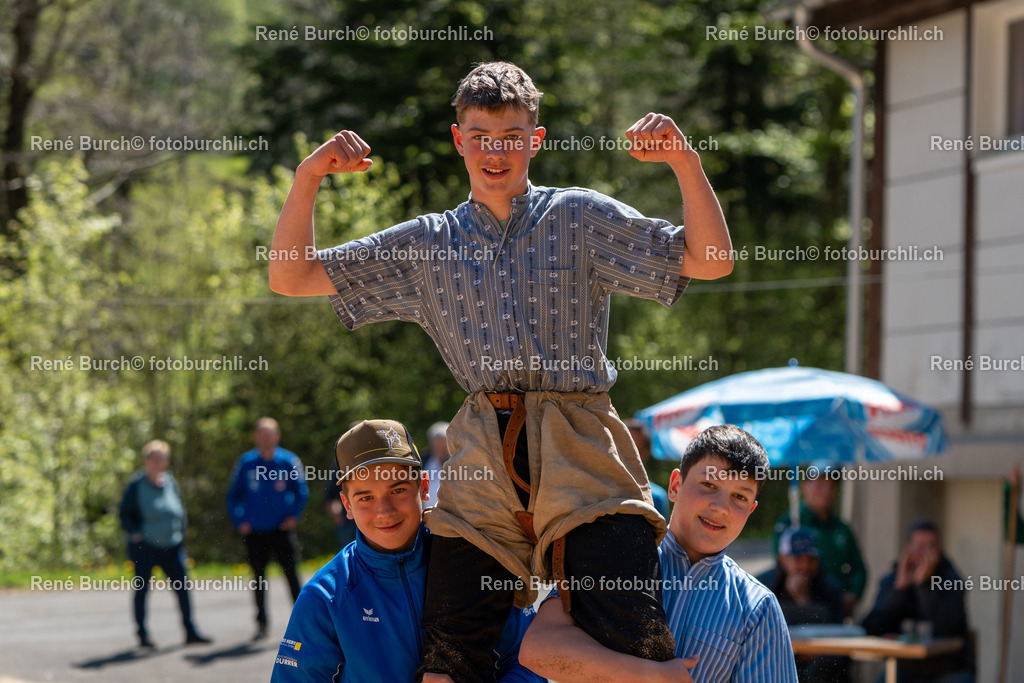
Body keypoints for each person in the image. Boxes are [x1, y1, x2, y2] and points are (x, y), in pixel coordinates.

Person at [268, 60, 734, 682]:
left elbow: (712, 260)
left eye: (511, 136)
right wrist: (307, 179)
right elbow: (290, 275)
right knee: (450, 652)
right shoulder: (428, 244)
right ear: (459, 140)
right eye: (481, 136)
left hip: (582, 444)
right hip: (482, 455)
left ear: (534, 142)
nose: (496, 151)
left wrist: (684, 162)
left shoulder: (579, 217)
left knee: (632, 633)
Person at [519, 424, 799, 683]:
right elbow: (537, 649)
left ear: (751, 510)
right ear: (675, 486)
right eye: (709, 485)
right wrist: (650, 674)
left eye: (740, 496)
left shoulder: (757, 609)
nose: (721, 507)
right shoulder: (614, 554)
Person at [270, 419, 542, 682]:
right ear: (347, 505)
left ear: (424, 487)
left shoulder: (474, 561)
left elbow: (528, 660)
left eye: (398, 490)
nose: (384, 511)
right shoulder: (326, 597)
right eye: (366, 497)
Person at [119, 440, 211, 649]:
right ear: (146, 460)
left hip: (172, 545)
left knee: (182, 588)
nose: (158, 462)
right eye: (154, 458)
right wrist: (135, 534)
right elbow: (124, 513)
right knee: (142, 589)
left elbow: (179, 511)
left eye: (162, 458)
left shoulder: (170, 482)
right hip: (146, 547)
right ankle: (142, 635)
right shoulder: (136, 485)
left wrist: (182, 537)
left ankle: (190, 631)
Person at [226, 417, 309, 640]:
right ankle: (262, 623)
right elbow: (234, 496)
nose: (265, 438)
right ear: (255, 437)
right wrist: (239, 520)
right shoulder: (246, 462)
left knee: (292, 576)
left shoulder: (288, 461)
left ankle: (304, 623)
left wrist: (294, 516)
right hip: (254, 532)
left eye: (269, 433)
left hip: (281, 530)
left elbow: (301, 490)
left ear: (277, 436)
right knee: (259, 579)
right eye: (261, 434)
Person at [862, 520, 975, 683]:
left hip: (948, 670)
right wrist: (898, 590)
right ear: (907, 549)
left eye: (931, 547)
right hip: (905, 670)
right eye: (919, 546)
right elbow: (872, 627)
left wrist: (923, 587)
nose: (925, 553)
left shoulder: (952, 580)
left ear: (940, 550)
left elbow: (947, 627)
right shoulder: (892, 581)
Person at [773, 461, 867, 614]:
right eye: (820, 484)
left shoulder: (841, 528)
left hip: (833, 600)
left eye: (831, 485)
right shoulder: (790, 523)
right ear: (805, 486)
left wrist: (852, 595)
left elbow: (858, 567)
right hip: (796, 599)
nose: (826, 490)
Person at [758, 527, 848, 682]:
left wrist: (803, 601)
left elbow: (836, 630)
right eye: (799, 558)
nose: (805, 566)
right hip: (776, 660)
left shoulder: (830, 587)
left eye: (811, 559)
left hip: (818, 665)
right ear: (782, 558)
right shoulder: (762, 585)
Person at [626, 418, 670, 518]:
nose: (627, 454)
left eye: (635, 450)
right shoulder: (599, 488)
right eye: (624, 447)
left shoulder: (655, 497)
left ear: (644, 454)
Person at [422, 421, 450, 508]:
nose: (442, 448)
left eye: (444, 444)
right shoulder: (421, 462)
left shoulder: (459, 464)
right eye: (438, 443)